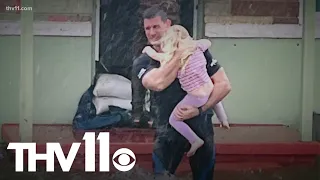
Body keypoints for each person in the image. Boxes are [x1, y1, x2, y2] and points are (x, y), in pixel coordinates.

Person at [132, 5, 231, 179]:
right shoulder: (144, 60)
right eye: (147, 28)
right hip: (167, 132)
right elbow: (158, 83)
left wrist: (201, 109)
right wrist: (179, 54)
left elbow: (223, 85)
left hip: (201, 128)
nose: (152, 32)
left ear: (168, 24)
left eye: (156, 26)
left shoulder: (195, 49)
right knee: (161, 177)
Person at [141, 24, 229, 157]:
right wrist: (193, 43)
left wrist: (147, 49)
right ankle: (224, 119)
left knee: (174, 120)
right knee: (215, 96)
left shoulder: (172, 57)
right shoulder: (197, 47)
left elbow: (157, 56)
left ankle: (195, 140)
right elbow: (208, 42)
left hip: (196, 96)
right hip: (209, 87)